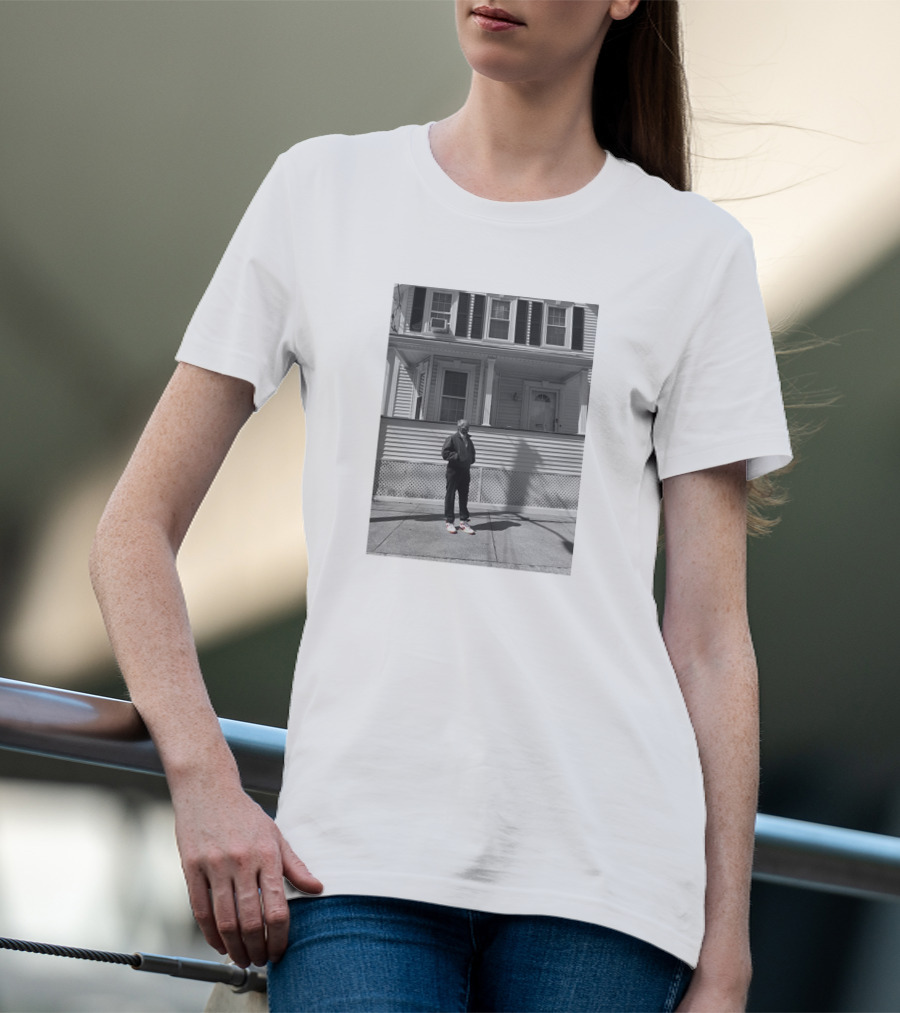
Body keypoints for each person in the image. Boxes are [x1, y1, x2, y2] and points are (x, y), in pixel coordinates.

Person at [89, 2, 794, 1011]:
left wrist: (726, 957)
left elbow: (713, 641)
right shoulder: (322, 191)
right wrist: (204, 778)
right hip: (349, 864)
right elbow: (132, 530)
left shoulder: (696, 253)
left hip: (608, 884)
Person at [442, 418, 477, 534]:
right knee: (450, 495)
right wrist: (458, 456)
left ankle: (463, 521)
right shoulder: (452, 438)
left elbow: (472, 454)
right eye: (463, 427)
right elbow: (445, 453)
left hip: (465, 472)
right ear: (458, 427)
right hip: (453, 471)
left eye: (467, 427)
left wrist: (470, 459)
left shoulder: (469, 440)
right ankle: (449, 521)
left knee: (464, 496)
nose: (466, 429)